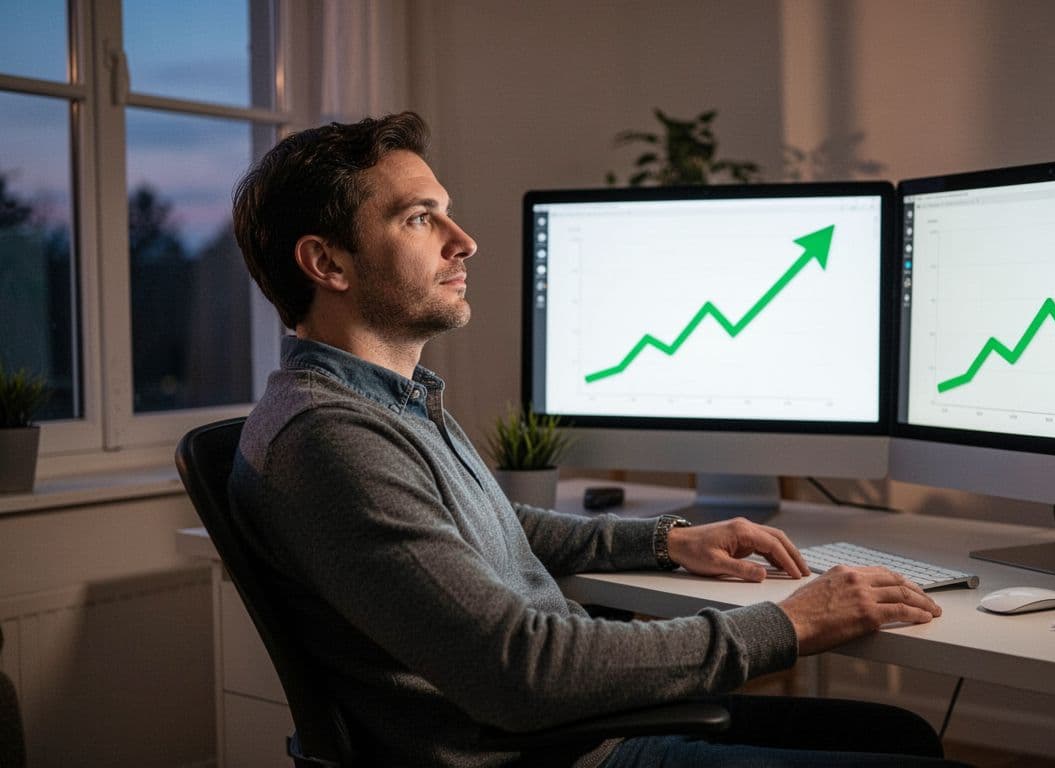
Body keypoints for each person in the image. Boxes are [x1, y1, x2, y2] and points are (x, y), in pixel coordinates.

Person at [229, 111, 964, 768]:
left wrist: (664, 541)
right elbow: (524, 672)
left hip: (575, 727)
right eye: (422, 218)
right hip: (554, 748)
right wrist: (786, 624)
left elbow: (486, 526)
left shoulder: (384, 400)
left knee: (899, 735)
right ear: (327, 264)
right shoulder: (329, 439)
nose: (465, 241)